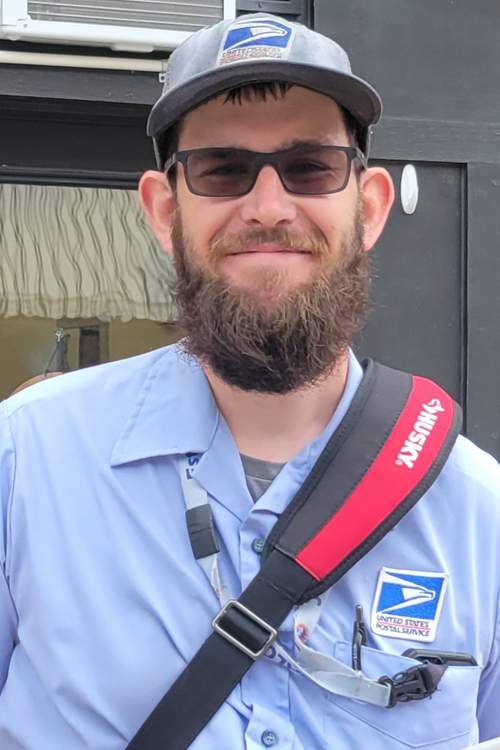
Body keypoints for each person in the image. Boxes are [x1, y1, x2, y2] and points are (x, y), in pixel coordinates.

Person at [1, 12, 499, 750]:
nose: (268, 207)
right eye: (223, 169)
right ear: (166, 211)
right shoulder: (23, 461)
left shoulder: (477, 510)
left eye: (310, 166)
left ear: (367, 208)